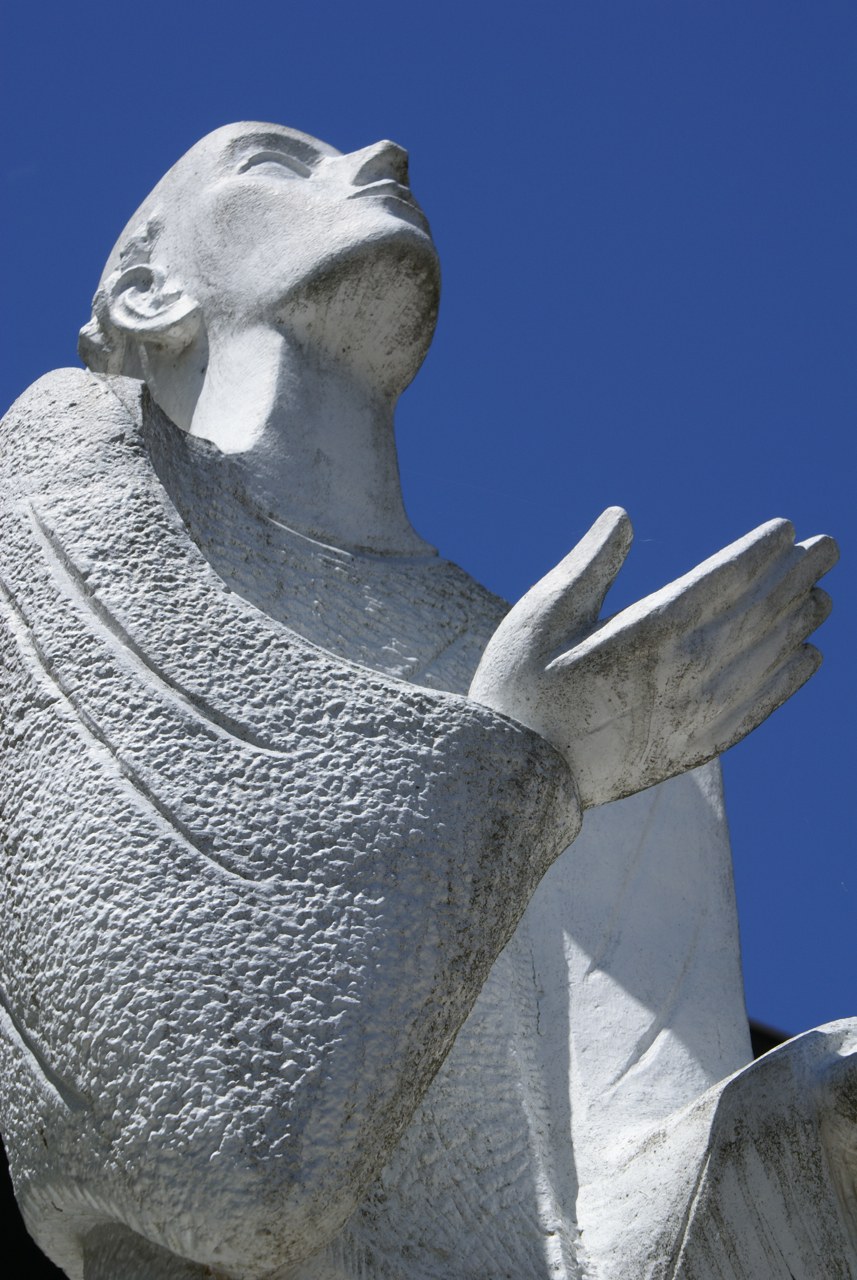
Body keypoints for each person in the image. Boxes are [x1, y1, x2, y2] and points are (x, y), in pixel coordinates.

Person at [0, 123, 845, 1280]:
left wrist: (805, 1122)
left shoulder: (615, 698)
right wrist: (520, 763)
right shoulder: (66, 481)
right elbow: (212, 1168)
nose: (382, 151)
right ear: (148, 293)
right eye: (273, 160)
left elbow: (611, 1225)